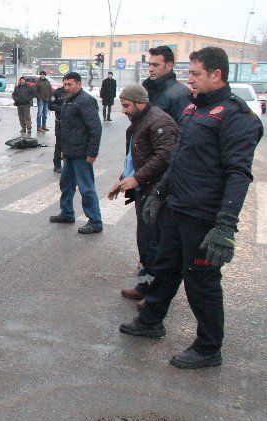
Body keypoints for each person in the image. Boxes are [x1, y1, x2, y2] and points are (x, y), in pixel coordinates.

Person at [120, 47, 263, 369]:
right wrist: (161, 193)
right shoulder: (192, 110)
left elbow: (239, 174)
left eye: (196, 74)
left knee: (201, 282)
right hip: (177, 207)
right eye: (190, 73)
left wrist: (225, 224)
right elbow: (178, 160)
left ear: (217, 75)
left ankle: (209, 347)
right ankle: (151, 320)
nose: (190, 80)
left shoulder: (235, 117)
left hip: (203, 216)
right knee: (166, 268)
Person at [107, 84, 177, 303]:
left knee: (154, 245)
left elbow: (165, 157)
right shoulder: (139, 122)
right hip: (144, 191)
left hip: (156, 193)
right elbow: (135, 158)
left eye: (126, 105)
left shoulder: (160, 121)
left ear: (140, 103)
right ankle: (146, 286)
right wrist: (123, 180)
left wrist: (136, 179)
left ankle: (156, 294)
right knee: (146, 244)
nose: (123, 110)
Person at [49, 72, 103, 234]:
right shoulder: (68, 101)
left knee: (86, 188)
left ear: (79, 84)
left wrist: (92, 153)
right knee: (66, 185)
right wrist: (64, 150)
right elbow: (67, 128)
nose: (66, 87)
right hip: (70, 153)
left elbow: (95, 129)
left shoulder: (85, 101)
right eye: (64, 84)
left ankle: (95, 221)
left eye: (70, 84)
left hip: (82, 154)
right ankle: (67, 213)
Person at [142, 45, 190, 122]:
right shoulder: (146, 88)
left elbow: (182, 127)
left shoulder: (181, 94)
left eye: (155, 65)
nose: (150, 69)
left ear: (169, 66)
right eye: (149, 65)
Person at [48, 82, 66, 173]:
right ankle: (57, 164)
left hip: (72, 123)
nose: (68, 86)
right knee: (59, 144)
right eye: (66, 83)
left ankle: (68, 165)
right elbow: (50, 105)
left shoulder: (75, 93)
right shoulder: (57, 93)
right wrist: (61, 108)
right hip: (60, 122)